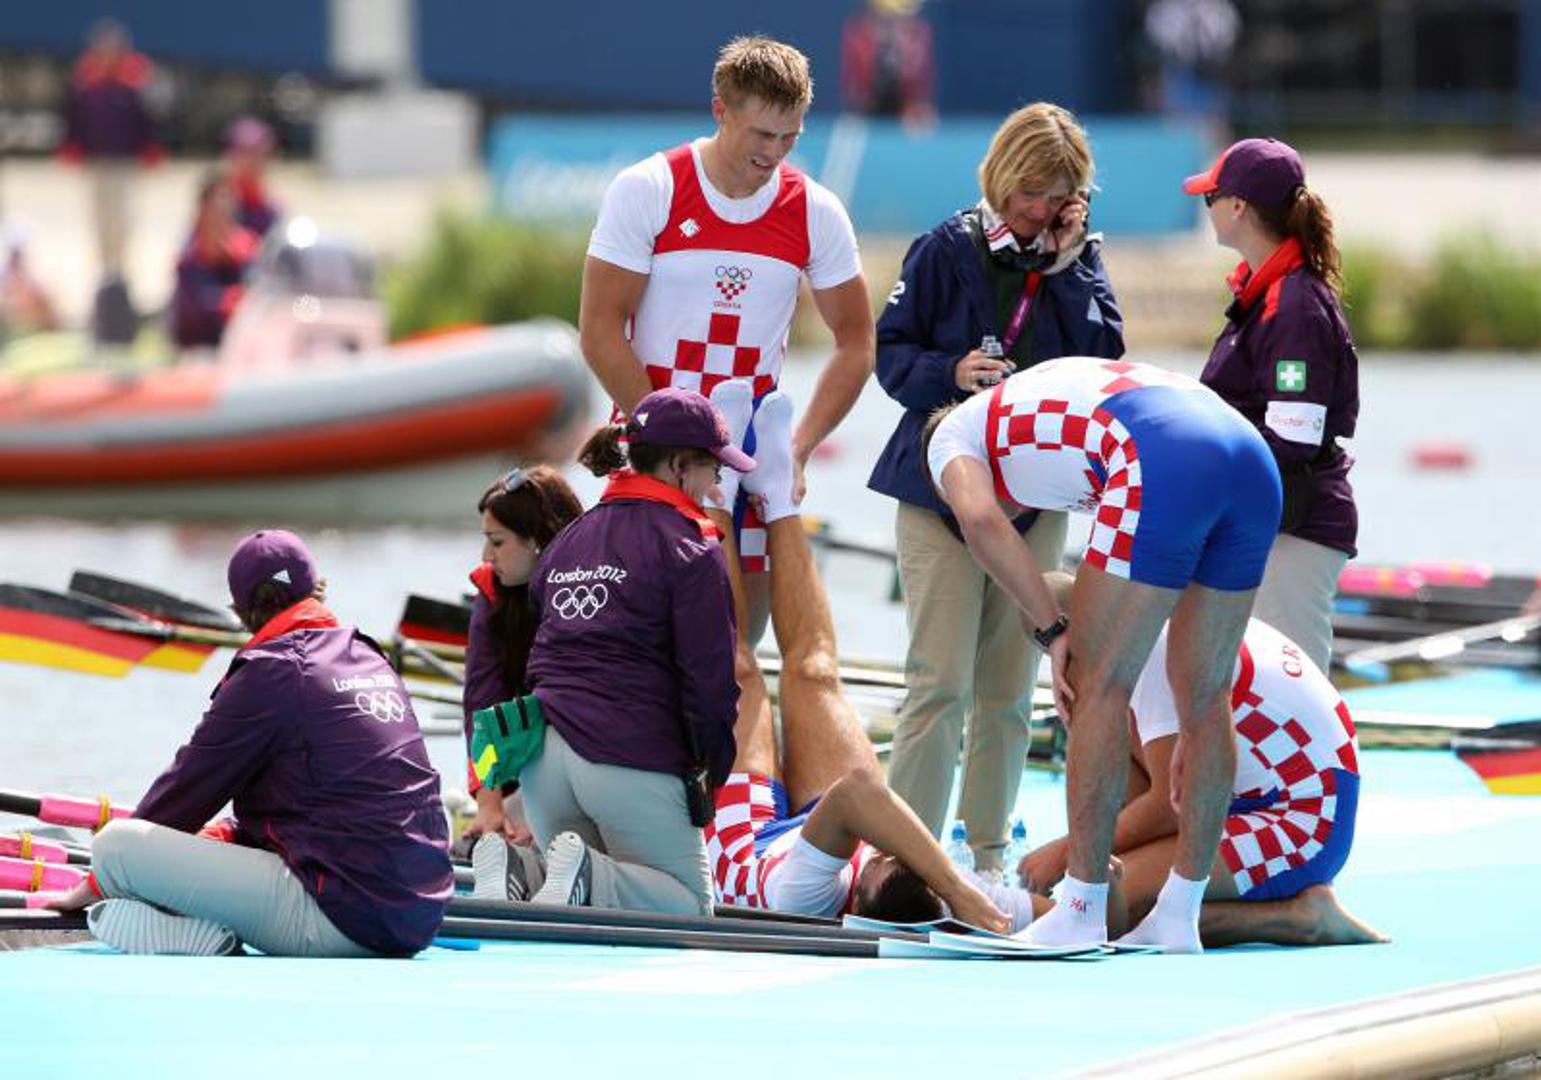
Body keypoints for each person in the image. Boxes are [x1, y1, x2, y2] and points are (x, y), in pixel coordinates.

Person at [925, 355, 1281, 952]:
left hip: (1159, 454)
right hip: (1250, 457)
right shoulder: (1034, 403)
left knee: (1097, 683)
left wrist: (1053, 630)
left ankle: (1081, 908)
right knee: (1206, 692)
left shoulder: (950, 436)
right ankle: (1179, 915)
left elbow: (981, 520)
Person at [872, 102, 1124, 873]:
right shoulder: (943, 247)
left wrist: (1067, 264)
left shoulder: (1079, 260)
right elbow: (890, 358)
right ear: (1000, 180)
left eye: (1057, 198)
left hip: (1033, 500)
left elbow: (1105, 358)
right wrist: (948, 372)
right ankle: (906, 859)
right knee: (937, 684)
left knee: (1009, 691)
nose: (1039, 211)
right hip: (939, 496)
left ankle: (985, 852)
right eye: (1028, 195)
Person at [578, 34, 872, 646]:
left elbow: (855, 343)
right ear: (721, 110)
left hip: (747, 456)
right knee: (640, 649)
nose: (775, 153)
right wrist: (668, 439)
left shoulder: (815, 211)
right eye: (762, 134)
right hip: (653, 446)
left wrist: (799, 449)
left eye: (789, 137)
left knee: (735, 654)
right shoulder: (649, 188)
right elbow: (600, 330)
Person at [47, 530, 453, 958]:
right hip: (422, 914)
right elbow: (315, 801)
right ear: (313, 589)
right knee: (213, 836)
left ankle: (189, 930)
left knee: (116, 847)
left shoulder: (271, 670)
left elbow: (186, 789)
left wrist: (100, 880)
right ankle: (193, 922)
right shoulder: (371, 658)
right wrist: (216, 838)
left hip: (341, 924)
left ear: (241, 611)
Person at [706, 393, 1021, 930]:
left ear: (862, 891)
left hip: (749, 846)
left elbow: (857, 793)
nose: (888, 850)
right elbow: (1082, 914)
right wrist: (1094, 890)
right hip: (817, 833)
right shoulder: (906, 885)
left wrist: (956, 888)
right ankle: (779, 494)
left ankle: (718, 486)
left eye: (883, 859)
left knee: (738, 668)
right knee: (815, 671)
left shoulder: (803, 900)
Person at [1023, 573, 1385, 948]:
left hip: (1304, 824)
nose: (1058, 669)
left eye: (1054, 650)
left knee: (1110, 911)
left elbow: (1169, 806)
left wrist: (1066, 853)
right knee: (1102, 878)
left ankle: (1300, 918)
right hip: (1281, 801)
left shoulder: (1151, 652)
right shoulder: (1149, 624)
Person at [511, 388, 750, 915]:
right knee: (689, 908)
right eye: (713, 469)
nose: (716, 484)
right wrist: (709, 775)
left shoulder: (568, 539)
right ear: (679, 466)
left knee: (579, 910)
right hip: (626, 754)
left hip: (542, 763)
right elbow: (710, 686)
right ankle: (579, 875)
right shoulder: (691, 545)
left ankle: (527, 872)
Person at [1184, 137, 1359, 673]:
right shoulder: (1266, 292)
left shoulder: (1293, 305)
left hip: (1295, 528)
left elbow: (1293, 436)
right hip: (1266, 521)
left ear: (1238, 206)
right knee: (1247, 689)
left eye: (1210, 196)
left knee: (1293, 692)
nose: (1206, 206)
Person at [459, 465, 583, 884]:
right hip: (532, 757)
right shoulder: (492, 592)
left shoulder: (588, 589)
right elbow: (482, 706)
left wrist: (541, 806)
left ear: (537, 539)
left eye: (497, 542)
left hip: (591, 753)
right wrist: (489, 802)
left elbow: (574, 706)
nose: (486, 556)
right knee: (476, 844)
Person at [58, 19, 162, 288]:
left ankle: (121, 270)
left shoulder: (134, 86)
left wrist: (150, 149)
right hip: (97, 163)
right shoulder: (86, 85)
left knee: (124, 219)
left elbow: (147, 122)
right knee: (100, 218)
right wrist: (71, 146)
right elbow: (74, 121)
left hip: (125, 163)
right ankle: (105, 272)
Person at [171, 167, 260, 351]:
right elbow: (192, 319)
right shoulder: (189, 261)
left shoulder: (247, 250)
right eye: (218, 202)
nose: (224, 209)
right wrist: (230, 302)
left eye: (229, 201)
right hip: (201, 352)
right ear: (203, 209)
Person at [840, 0, 937, 130]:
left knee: (923, 126)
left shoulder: (918, 36)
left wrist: (916, 109)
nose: (895, 23)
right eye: (889, 17)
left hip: (906, 112)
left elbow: (921, 87)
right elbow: (853, 88)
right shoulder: (857, 36)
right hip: (867, 112)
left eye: (902, 16)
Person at [224, 116, 282, 239]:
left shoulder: (273, 209)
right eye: (246, 152)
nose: (254, 160)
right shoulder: (218, 205)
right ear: (231, 155)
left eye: (260, 152)